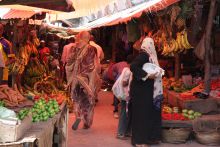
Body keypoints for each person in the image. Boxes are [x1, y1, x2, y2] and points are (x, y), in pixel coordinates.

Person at [130, 37, 163, 147]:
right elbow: (133, 66)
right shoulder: (144, 55)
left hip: (143, 91)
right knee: (141, 115)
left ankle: (145, 139)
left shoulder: (148, 56)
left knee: (144, 115)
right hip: (141, 92)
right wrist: (147, 75)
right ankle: (139, 141)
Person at [66, 31, 99, 130]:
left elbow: (68, 62)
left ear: (79, 37)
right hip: (86, 80)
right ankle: (86, 123)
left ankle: (77, 116)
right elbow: (92, 66)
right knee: (88, 102)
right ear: (89, 38)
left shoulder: (73, 48)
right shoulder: (92, 49)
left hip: (75, 78)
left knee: (76, 100)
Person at [113, 55, 133, 140]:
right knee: (124, 114)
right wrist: (131, 81)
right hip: (126, 96)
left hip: (126, 95)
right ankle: (120, 133)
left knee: (128, 113)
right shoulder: (128, 71)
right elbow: (124, 83)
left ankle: (127, 132)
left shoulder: (126, 69)